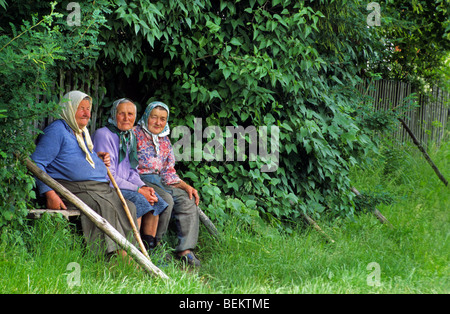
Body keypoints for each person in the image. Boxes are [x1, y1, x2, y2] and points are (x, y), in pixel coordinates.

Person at [31, 90, 138, 258]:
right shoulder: (58, 130)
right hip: (73, 188)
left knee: (128, 206)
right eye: (81, 108)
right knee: (104, 206)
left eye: (88, 109)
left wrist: (97, 158)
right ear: (69, 108)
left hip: (98, 188)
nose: (87, 113)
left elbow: (77, 157)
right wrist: (49, 193)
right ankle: (110, 257)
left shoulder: (81, 132)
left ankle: (130, 253)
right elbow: (37, 162)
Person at [93, 98, 168, 251]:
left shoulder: (129, 136)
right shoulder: (104, 135)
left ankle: (149, 250)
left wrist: (144, 187)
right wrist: (139, 191)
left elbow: (132, 171)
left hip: (123, 184)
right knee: (139, 200)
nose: (127, 118)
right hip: (107, 186)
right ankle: (133, 250)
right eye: (122, 114)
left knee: (156, 200)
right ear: (114, 115)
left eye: (130, 114)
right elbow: (108, 176)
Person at [134, 101, 201, 267]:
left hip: (161, 180)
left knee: (187, 199)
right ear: (146, 117)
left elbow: (168, 171)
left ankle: (185, 250)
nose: (158, 122)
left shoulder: (164, 140)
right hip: (141, 178)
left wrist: (186, 186)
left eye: (162, 119)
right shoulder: (134, 134)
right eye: (154, 117)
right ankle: (155, 246)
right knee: (166, 200)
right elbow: (128, 166)